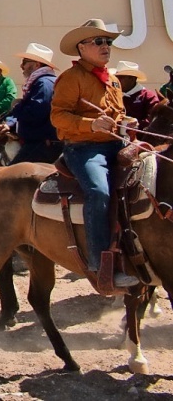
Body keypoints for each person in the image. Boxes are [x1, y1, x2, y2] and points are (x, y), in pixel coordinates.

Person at [50, 18, 138, 289]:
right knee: (99, 191)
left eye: (108, 42)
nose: (106, 47)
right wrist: (90, 124)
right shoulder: (71, 78)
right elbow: (57, 116)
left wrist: (126, 122)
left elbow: (118, 112)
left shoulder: (112, 79)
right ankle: (99, 263)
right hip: (84, 149)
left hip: (115, 145)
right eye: (98, 41)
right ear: (82, 47)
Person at [6, 42, 59, 164]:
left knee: (10, 178)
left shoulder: (43, 83)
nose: (21, 66)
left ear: (36, 65)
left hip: (41, 145)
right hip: (41, 143)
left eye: (24, 62)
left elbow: (35, 112)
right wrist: (11, 124)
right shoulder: (44, 81)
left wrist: (17, 107)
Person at [114, 61, 161, 130]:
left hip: (139, 137)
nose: (117, 80)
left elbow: (153, 118)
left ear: (132, 78)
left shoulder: (148, 96)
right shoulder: (113, 94)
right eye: (116, 77)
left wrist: (137, 125)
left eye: (121, 77)